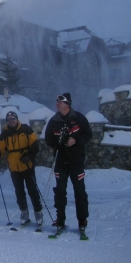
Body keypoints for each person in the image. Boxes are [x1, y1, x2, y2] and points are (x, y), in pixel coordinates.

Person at [44, 93, 92, 233]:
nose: (57, 104)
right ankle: (60, 219)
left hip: (76, 160)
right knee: (60, 190)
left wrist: (75, 141)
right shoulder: (54, 120)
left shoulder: (78, 118)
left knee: (79, 191)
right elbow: (48, 139)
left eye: (60, 101)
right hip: (60, 160)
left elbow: (88, 135)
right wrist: (58, 143)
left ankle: (82, 220)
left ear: (67, 104)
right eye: (56, 101)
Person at [0, 111, 43, 227]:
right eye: (9, 119)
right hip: (14, 167)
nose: (11, 121)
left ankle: (38, 213)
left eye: (13, 118)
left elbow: (35, 145)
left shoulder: (26, 129)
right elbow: (1, 148)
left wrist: (29, 155)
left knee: (32, 190)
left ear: (17, 119)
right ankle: (24, 213)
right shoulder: (5, 133)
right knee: (19, 192)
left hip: (27, 164)